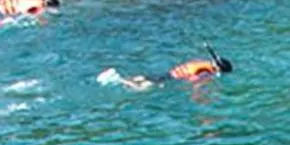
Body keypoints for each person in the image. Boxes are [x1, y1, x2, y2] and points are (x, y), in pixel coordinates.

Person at [97, 53, 234, 91]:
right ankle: (117, 79)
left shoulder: (203, 62)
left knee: (144, 78)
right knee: (142, 89)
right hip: (170, 79)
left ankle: (120, 77)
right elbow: (194, 81)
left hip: (168, 73)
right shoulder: (205, 71)